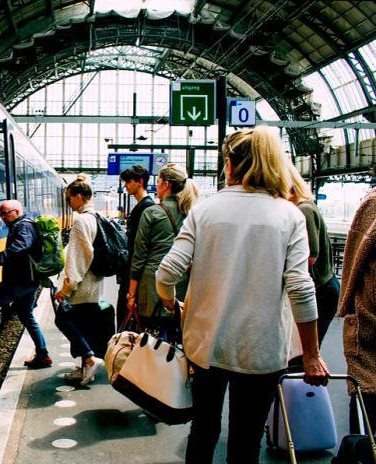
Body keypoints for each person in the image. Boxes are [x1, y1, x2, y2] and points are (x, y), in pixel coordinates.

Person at [155, 127, 330, 464]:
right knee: (245, 440)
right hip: (261, 351)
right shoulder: (289, 215)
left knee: (203, 431)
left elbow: (166, 273)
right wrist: (310, 354)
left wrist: (168, 300)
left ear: (230, 164)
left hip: (206, 346)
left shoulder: (205, 211)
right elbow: (300, 287)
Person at [126, 163, 199, 319]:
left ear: (166, 185)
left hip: (152, 286)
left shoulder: (152, 212)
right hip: (181, 282)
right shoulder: (191, 213)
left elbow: (139, 257)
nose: (156, 186)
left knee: (153, 339)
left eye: (158, 182)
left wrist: (131, 294)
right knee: (176, 333)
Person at [54, 175, 105, 385]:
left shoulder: (81, 222)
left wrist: (66, 289)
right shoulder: (96, 218)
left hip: (82, 286)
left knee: (63, 319)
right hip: (94, 283)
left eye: (69, 199)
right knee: (83, 325)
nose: (68, 204)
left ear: (79, 196)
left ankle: (90, 360)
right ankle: (85, 366)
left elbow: (79, 259)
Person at [287, 163, 340, 345]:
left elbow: (309, 258)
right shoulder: (305, 206)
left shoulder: (303, 209)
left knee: (306, 347)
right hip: (323, 287)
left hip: (321, 290)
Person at [0, 199, 52, 369]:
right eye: (1, 214)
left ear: (17, 212)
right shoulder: (21, 225)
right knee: (26, 316)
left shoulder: (24, 226)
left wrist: (0, 258)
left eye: (6, 213)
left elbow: (22, 245)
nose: (3, 217)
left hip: (19, 281)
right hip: (28, 280)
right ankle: (43, 354)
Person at [338, 188, 376, 434]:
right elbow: (354, 264)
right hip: (369, 328)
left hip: (368, 323)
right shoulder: (372, 204)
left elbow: (352, 261)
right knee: (367, 410)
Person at [116, 165, 155, 329]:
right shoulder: (143, 206)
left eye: (129, 181)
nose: (125, 185)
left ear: (140, 182)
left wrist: (132, 289)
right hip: (132, 270)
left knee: (126, 318)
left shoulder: (145, 208)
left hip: (134, 273)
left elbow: (140, 249)